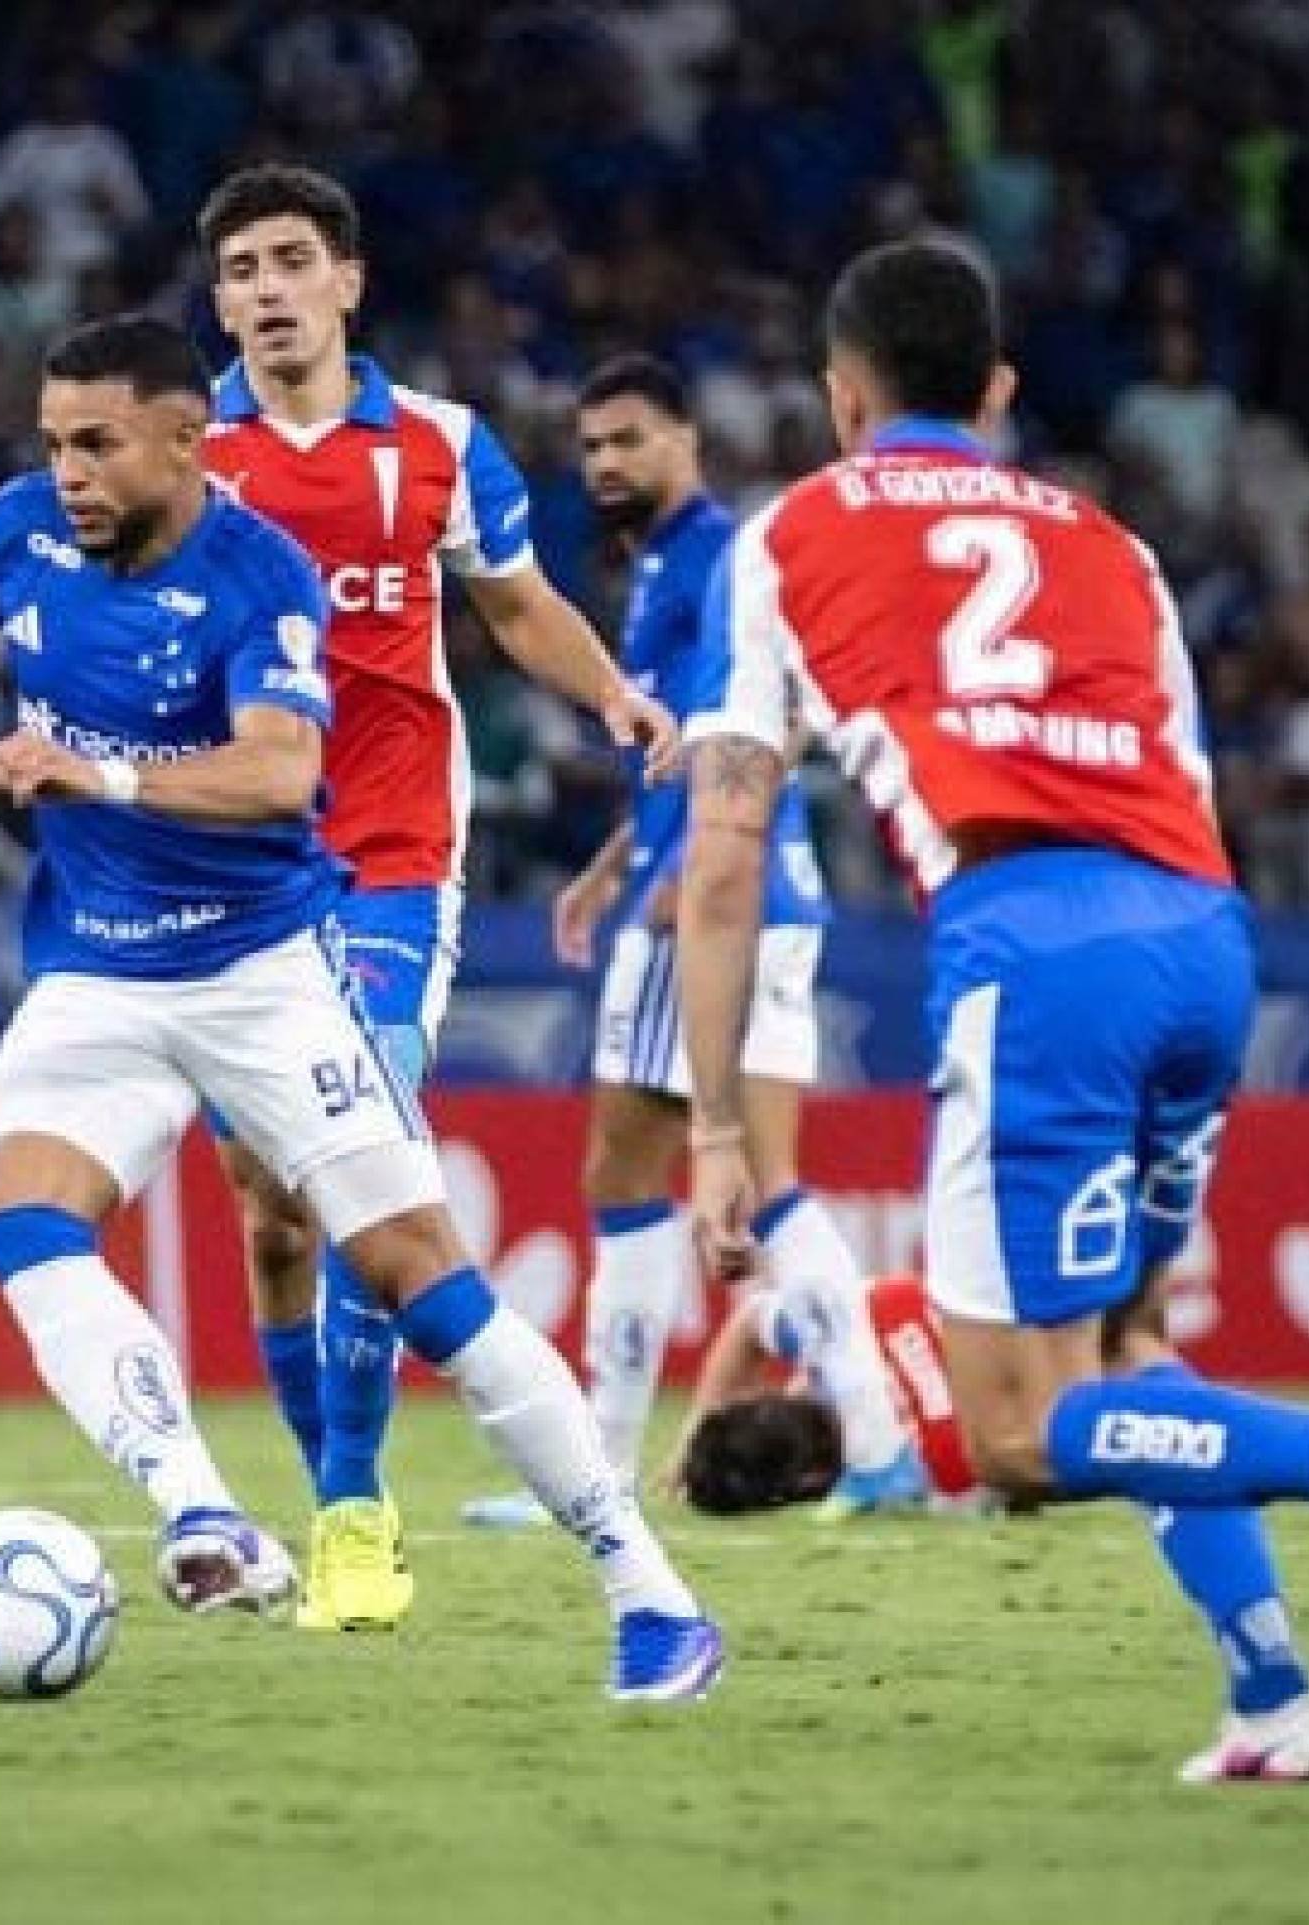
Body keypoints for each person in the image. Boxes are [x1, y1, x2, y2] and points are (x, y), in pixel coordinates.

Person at [673, 239, 1309, 1784]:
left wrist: (712, 1122)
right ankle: (1275, 1697)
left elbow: (728, 851)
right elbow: (1190, 784)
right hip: (1202, 939)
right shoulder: (1115, 547)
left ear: (838, 395)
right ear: (1000, 391)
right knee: (1135, 1347)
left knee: (1019, 1438)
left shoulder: (788, 537)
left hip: (1031, 953)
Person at [0, 317, 722, 1700]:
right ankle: (202, 1510)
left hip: (266, 977)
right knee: (18, 1219)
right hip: (96, 976)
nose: (68, 473)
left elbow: (278, 774)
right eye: (52, 444)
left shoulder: (259, 576)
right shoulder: (20, 529)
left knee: (425, 1285)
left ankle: (648, 1591)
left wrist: (97, 779)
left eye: (96, 445)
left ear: (181, 442)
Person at [192, 164, 673, 1631]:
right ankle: (335, 1481)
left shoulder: (440, 446)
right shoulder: (181, 449)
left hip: (394, 857)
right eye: (237, 271)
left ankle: (348, 1509)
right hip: (228, 870)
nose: (264, 291)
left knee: (358, 1167)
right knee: (271, 1210)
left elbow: (516, 603)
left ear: (347, 281)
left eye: (288, 262)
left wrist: (615, 697)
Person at [461, 352, 912, 1532]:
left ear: (687, 441)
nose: (606, 462)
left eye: (630, 440)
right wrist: (617, 858)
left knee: (624, 1171)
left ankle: (598, 1468)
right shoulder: (677, 561)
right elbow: (707, 733)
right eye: (592, 445)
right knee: (765, 1180)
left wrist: (684, 869)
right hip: (755, 885)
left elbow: (783, 714)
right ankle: (873, 1439)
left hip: (714, 895)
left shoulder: (714, 554)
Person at [672, 1276, 984, 1519]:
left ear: (809, 1481)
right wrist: (693, 1427)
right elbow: (748, 1322)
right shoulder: (834, 1331)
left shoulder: (945, 1472)